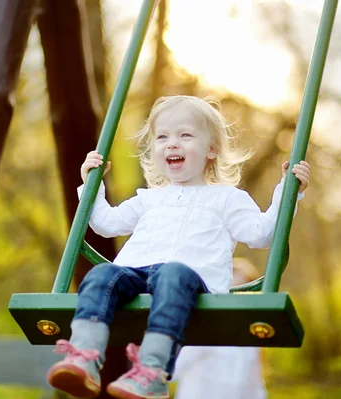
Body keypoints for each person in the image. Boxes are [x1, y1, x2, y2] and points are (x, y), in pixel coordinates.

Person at [46, 95, 310, 399]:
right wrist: (92, 185)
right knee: (103, 274)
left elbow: (263, 234)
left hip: (190, 283)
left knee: (172, 274)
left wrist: (287, 192)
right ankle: (84, 357)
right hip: (139, 278)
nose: (172, 144)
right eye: (162, 137)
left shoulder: (226, 198)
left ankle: (152, 372)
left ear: (211, 149)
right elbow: (105, 223)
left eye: (185, 135)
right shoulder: (148, 198)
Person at [172, 259, 268, 398]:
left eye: (243, 294)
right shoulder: (203, 330)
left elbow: (255, 386)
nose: (235, 302)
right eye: (231, 293)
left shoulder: (252, 338)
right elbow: (172, 371)